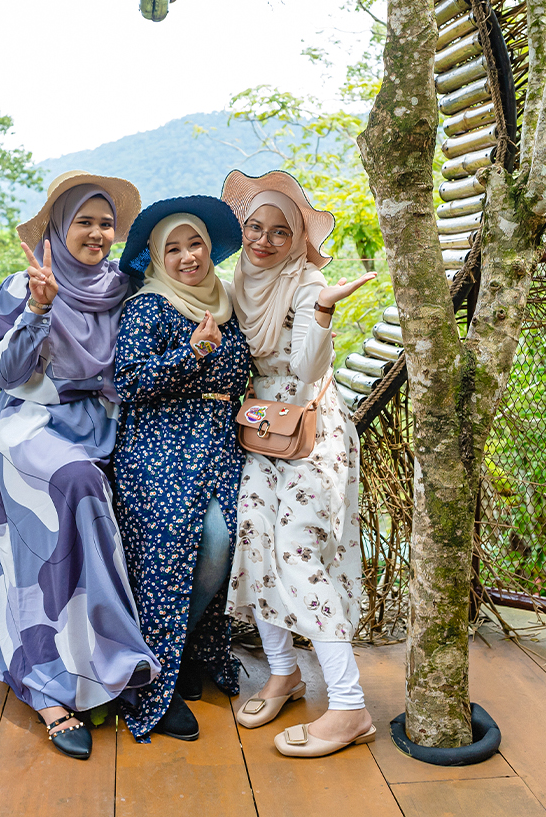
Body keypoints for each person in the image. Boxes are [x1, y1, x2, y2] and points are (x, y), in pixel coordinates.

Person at [0, 170, 157, 761]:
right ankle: (52, 685)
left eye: (106, 223)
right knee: (75, 484)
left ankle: (112, 666)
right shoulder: (23, 286)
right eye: (84, 221)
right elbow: (5, 374)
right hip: (30, 425)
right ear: (58, 226)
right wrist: (36, 309)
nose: (98, 233)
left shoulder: (124, 288)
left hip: (101, 425)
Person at [219, 169, 379, 758]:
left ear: (298, 239)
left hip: (312, 427)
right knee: (254, 539)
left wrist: (326, 314)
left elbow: (310, 369)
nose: (263, 241)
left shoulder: (307, 281)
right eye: (254, 228)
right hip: (263, 426)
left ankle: (348, 704)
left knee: (296, 548)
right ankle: (283, 673)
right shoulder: (239, 280)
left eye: (279, 232)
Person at [110, 196, 252, 743]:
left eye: (195, 243)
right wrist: (188, 356)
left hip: (219, 442)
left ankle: (181, 649)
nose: (188, 256)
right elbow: (130, 382)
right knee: (186, 540)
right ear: (154, 257)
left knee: (234, 535)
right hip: (158, 443)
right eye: (173, 248)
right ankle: (153, 676)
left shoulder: (228, 302)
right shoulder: (147, 308)